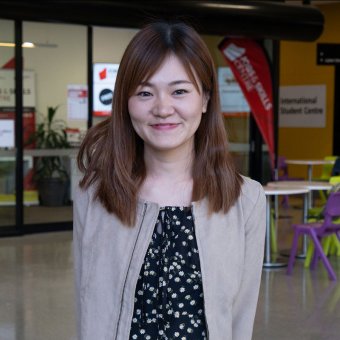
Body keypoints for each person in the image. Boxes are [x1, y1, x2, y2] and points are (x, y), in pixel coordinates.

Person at [74, 20, 266, 340]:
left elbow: (240, 319)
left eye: (179, 91)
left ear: (204, 99)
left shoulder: (246, 200)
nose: (163, 108)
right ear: (125, 102)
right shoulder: (95, 196)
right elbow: (88, 312)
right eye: (145, 92)